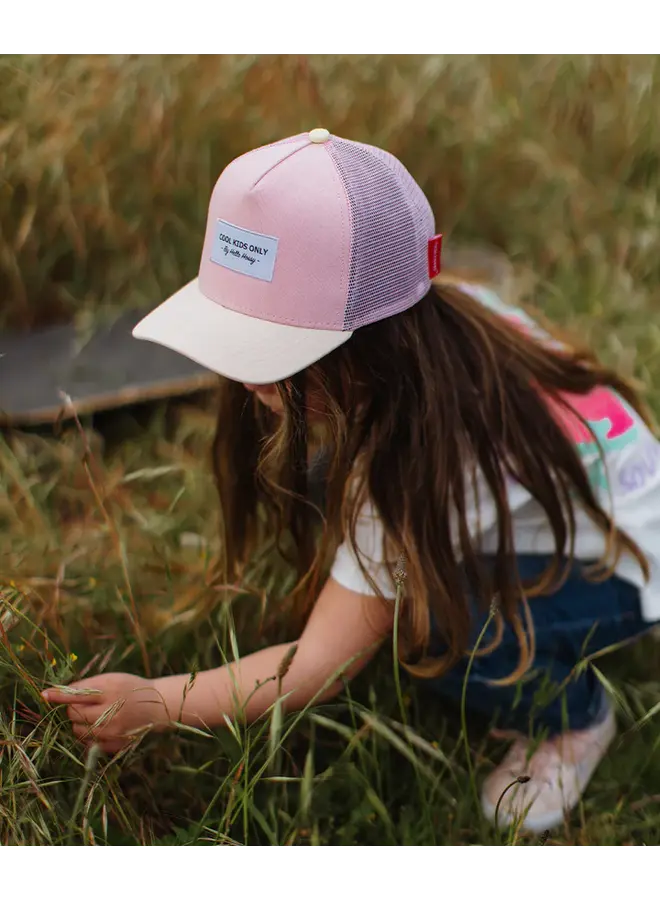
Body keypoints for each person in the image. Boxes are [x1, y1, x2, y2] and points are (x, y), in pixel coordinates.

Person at [42, 128, 660, 833]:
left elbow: (319, 667)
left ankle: (574, 718)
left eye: (276, 354)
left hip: (625, 566)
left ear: (375, 345)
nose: (248, 378)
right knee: (342, 498)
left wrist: (160, 703)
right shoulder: (443, 322)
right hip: (580, 505)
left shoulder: (417, 468)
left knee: (437, 627)